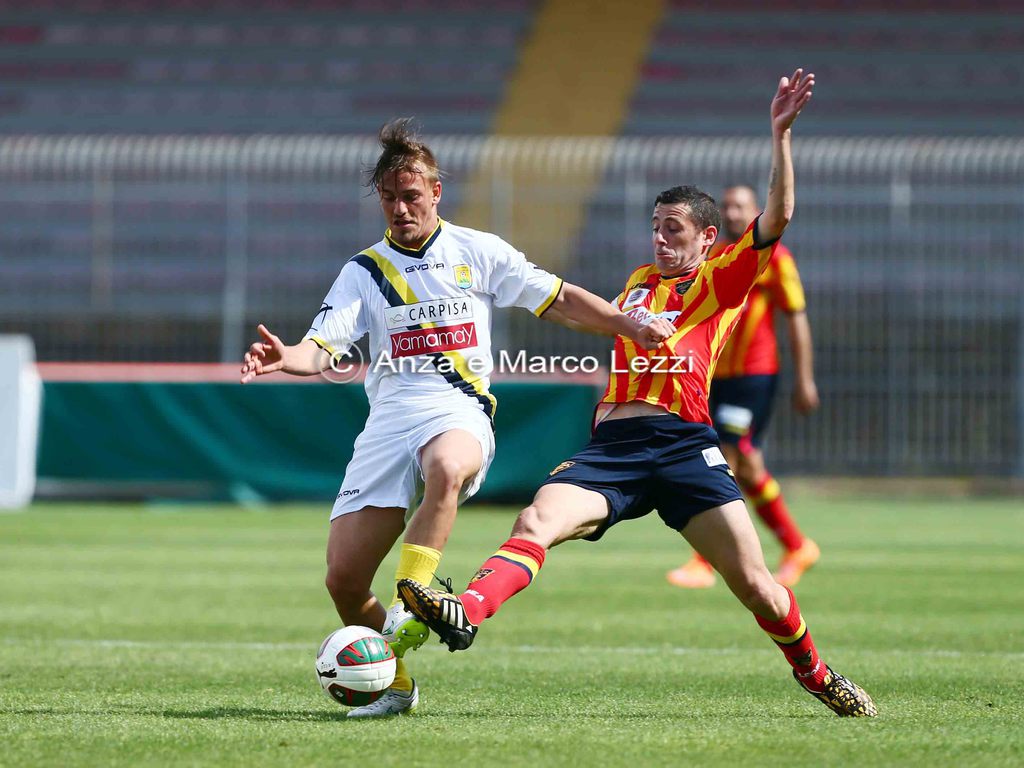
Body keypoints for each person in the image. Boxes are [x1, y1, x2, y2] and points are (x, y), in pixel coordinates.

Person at [399, 70, 877, 718]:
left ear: (707, 239)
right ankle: (467, 612)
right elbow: (588, 316)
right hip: (615, 448)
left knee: (757, 587)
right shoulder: (637, 281)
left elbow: (779, 217)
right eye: (656, 226)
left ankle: (817, 674)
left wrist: (780, 135)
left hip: (683, 446)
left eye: (674, 229)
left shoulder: (720, 280)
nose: (660, 237)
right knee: (536, 520)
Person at [240, 119, 674, 718]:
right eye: (389, 198)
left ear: (436, 192)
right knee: (343, 580)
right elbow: (321, 348)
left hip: (457, 409)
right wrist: (287, 356)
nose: (400, 208)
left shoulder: (477, 251)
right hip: (389, 422)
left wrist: (627, 324)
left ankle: (412, 598)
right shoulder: (364, 272)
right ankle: (396, 684)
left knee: (447, 465)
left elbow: (559, 298)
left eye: (410, 195)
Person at [667, 184, 820, 590]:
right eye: (728, 206)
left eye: (741, 207)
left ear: (756, 211)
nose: (733, 213)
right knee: (748, 466)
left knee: (724, 456)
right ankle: (797, 546)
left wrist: (804, 378)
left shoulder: (776, 258)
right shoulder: (714, 257)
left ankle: (703, 560)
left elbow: (796, 316)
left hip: (755, 376)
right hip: (714, 376)